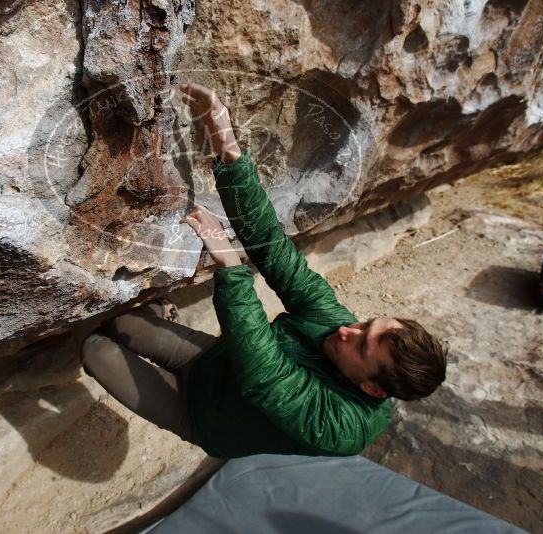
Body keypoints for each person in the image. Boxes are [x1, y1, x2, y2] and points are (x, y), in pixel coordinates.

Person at [81, 83, 448, 458]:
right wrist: (227, 145)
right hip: (211, 361)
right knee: (119, 325)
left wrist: (228, 261)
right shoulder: (338, 325)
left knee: (96, 350)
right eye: (368, 324)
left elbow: (265, 375)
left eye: (362, 344)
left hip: (203, 415)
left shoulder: (344, 429)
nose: (347, 330)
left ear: (373, 389)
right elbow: (275, 252)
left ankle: (150, 322)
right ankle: (159, 312)